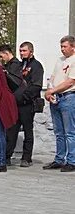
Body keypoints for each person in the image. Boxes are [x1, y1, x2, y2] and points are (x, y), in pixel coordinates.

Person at [43, 34, 75, 172]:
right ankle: (59, 158)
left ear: (73, 47)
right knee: (59, 131)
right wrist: (49, 90)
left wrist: (53, 90)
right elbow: (54, 76)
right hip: (56, 97)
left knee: (70, 132)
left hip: (68, 96)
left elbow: (70, 81)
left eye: (65, 46)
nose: (62, 49)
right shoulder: (60, 60)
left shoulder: (73, 60)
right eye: (61, 46)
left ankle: (72, 160)